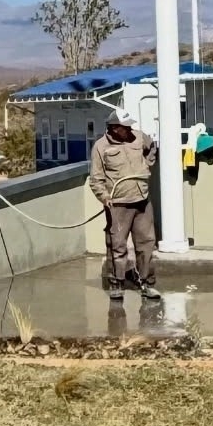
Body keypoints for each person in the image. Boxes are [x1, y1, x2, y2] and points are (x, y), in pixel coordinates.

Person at [89, 109, 161, 301]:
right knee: (117, 245)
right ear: (114, 128)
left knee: (146, 243)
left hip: (142, 200)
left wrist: (148, 164)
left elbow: (152, 147)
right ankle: (116, 284)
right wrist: (104, 197)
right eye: (125, 127)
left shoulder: (139, 138)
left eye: (130, 125)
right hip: (118, 204)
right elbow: (96, 179)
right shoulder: (100, 147)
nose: (130, 129)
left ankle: (147, 283)